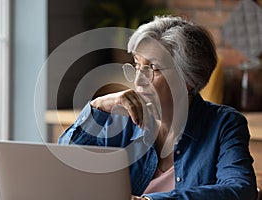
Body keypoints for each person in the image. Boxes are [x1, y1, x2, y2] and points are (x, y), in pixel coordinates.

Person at [58, 16, 257, 200]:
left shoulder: (224, 125)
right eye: (137, 66)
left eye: (152, 68)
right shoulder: (119, 118)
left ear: (186, 78)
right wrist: (97, 106)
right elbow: (64, 169)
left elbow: (240, 190)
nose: (138, 80)